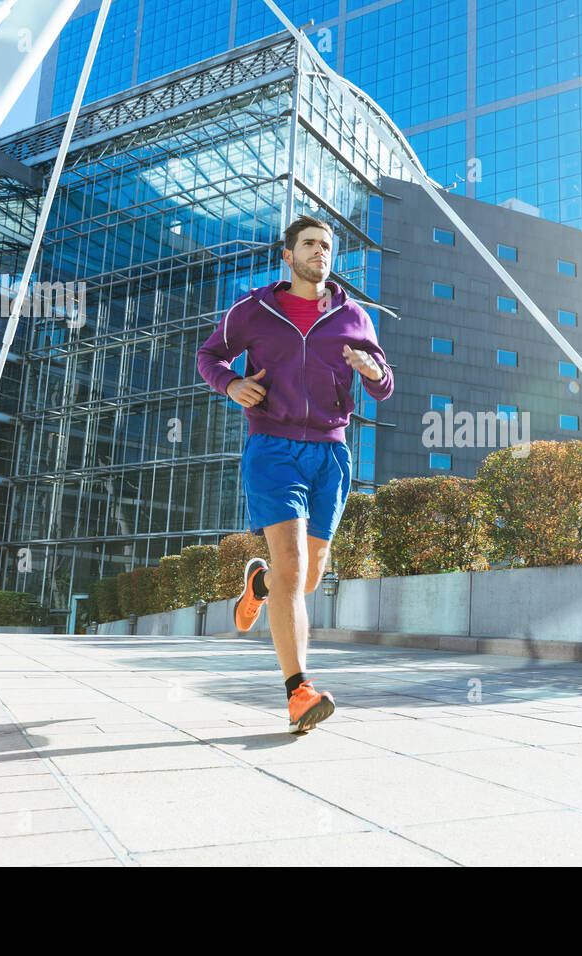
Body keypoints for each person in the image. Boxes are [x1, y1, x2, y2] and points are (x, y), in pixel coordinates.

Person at [196, 214, 394, 735]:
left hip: (330, 453)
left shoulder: (354, 316)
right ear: (288, 255)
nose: (320, 253)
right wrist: (229, 385)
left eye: (327, 246)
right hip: (272, 447)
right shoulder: (253, 310)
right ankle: (298, 691)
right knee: (291, 563)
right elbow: (209, 355)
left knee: (305, 578)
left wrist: (374, 373)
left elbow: (383, 382)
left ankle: (258, 585)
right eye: (309, 244)